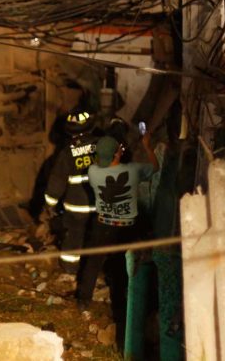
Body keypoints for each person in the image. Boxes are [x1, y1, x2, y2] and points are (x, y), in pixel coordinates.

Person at [76, 132, 158, 329]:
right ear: (117, 154)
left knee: (93, 263)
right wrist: (147, 146)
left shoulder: (93, 172)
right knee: (120, 268)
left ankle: (83, 302)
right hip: (125, 228)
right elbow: (155, 168)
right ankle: (121, 310)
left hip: (102, 225)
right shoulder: (133, 171)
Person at [42, 107, 101, 273]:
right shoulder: (101, 144)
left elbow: (57, 180)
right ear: (91, 126)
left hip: (76, 207)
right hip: (99, 204)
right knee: (96, 238)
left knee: (74, 237)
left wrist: (49, 203)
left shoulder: (67, 152)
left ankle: (71, 268)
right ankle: (95, 270)